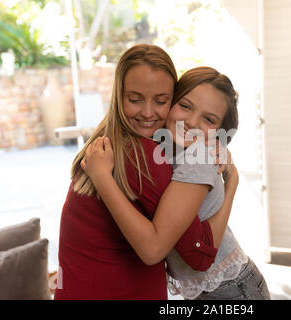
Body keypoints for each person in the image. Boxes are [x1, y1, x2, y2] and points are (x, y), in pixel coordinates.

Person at [54, 44, 235, 300]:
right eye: (135, 99)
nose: (148, 113)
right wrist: (232, 182)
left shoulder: (105, 142)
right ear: (119, 95)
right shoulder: (140, 155)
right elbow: (199, 252)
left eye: (161, 101)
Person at [83, 66, 271, 300]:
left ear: (219, 133)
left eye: (209, 119)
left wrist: (232, 183)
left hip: (230, 289)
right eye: (185, 106)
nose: (191, 122)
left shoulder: (199, 156)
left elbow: (202, 249)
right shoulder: (168, 148)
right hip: (211, 288)